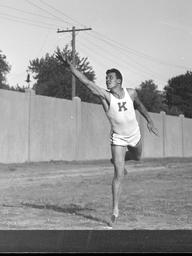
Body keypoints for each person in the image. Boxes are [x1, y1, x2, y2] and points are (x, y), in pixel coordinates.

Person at [56, 50, 159, 227]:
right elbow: (86, 82)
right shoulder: (106, 96)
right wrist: (70, 67)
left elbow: (140, 105)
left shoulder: (131, 93)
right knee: (119, 174)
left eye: (110, 77)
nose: (107, 80)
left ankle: (119, 161)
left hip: (134, 135)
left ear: (119, 80)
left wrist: (149, 120)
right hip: (118, 138)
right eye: (106, 78)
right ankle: (115, 210)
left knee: (137, 157)